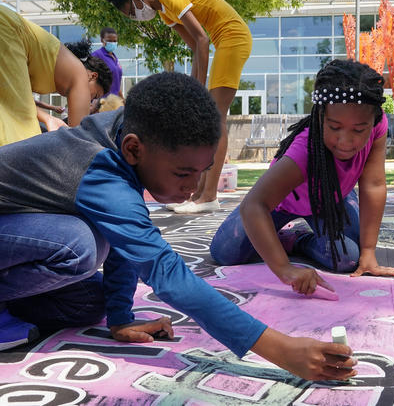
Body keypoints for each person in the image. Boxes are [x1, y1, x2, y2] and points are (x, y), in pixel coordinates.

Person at [0, 72, 357, 381]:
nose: (193, 187)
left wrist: (121, 317)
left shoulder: (131, 136)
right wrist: (281, 349)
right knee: (78, 246)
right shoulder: (97, 166)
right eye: (183, 173)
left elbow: (128, 240)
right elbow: (165, 273)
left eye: (202, 172)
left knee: (95, 302)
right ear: (134, 149)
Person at [210, 60, 394, 296]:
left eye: (358, 130)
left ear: (372, 122)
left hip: (330, 200)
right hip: (283, 203)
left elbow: (373, 184)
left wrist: (369, 252)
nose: (345, 141)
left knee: (347, 258)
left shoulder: (378, 125)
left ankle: (296, 239)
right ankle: (283, 234)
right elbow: (254, 205)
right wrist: (284, 269)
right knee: (224, 253)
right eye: (334, 127)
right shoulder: (304, 149)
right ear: (320, 117)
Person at [105, 0, 253, 214]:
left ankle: (209, 195)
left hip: (233, 37)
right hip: (222, 39)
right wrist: (193, 88)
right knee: (211, 118)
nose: (133, 17)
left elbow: (202, 40)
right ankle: (201, 194)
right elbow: (195, 47)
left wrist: (197, 91)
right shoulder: (165, 13)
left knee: (216, 119)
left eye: (130, 12)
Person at [0, 5, 109, 146]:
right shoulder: (80, 75)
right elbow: (79, 143)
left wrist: (47, 118)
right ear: (93, 76)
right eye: (94, 96)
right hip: (7, 30)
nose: (89, 102)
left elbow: (19, 103)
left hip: (5, 24)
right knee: (24, 141)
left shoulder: (57, 68)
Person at [91, 27, 123, 97]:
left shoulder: (114, 57)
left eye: (114, 41)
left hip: (116, 102)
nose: (112, 43)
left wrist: (123, 100)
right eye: (109, 41)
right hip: (103, 102)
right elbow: (89, 79)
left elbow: (116, 83)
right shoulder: (97, 55)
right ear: (102, 40)